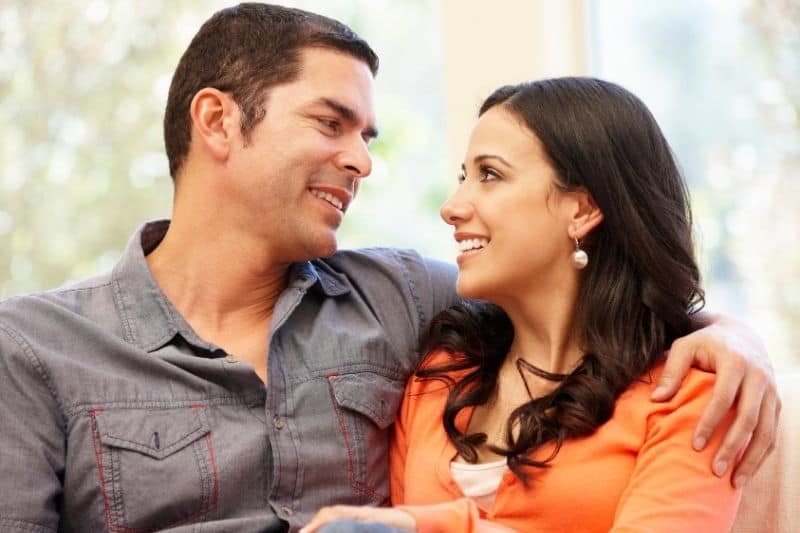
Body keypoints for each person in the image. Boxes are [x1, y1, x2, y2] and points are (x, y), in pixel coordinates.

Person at [0, 4, 778, 532]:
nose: (364, 161)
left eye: (366, 133)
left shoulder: (402, 300)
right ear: (218, 121)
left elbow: (592, 305)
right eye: (331, 123)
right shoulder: (35, 351)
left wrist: (737, 339)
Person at [303, 78, 754, 532]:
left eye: (491, 175)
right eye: (465, 177)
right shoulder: (441, 375)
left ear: (581, 210)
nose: (453, 207)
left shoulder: (687, 394)